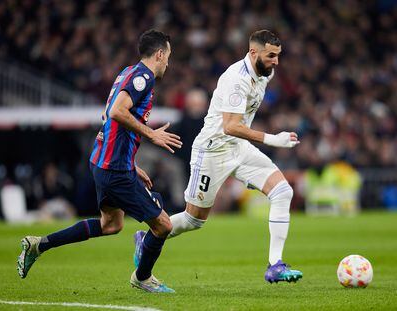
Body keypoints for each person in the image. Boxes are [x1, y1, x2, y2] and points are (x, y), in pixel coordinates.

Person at [17, 29, 182, 293]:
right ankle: (142, 278)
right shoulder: (143, 78)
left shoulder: (126, 73)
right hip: (114, 169)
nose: (168, 64)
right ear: (160, 54)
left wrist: (132, 164)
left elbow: (108, 119)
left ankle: (39, 244)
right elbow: (117, 112)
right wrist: (151, 134)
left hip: (105, 163)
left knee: (111, 224)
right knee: (163, 225)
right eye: (168, 57)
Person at [134, 30, 303, 283]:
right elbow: (230, 126)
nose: (276, 62)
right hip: (212, 150)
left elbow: (238, 129)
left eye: (278, 56)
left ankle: (275, 265)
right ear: (253, 52)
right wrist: (273, 139)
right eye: (271, 56)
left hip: (239, 147)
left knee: (283, 192)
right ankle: (145, 238)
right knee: (194, 220)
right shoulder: (237, 78)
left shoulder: (266, 72)